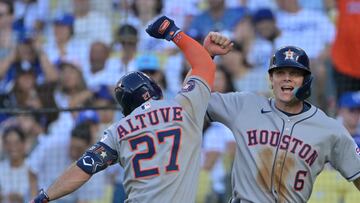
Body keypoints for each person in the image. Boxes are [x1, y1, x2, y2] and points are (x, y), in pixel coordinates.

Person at [30, 15, 232, 203]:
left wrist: (45, 196)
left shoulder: (118, 130)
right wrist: (172, 32)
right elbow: (203, 66)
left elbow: (84, 168)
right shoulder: (184, 108)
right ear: (156, 89)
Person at [205, 45, 360, 202]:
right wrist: (206, 56)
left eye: (294, 73)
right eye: (280, 73)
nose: (287, 78)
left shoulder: (329, 129)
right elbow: (191, 99)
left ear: (306, 81)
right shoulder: (244, 105)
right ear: (271, 79)